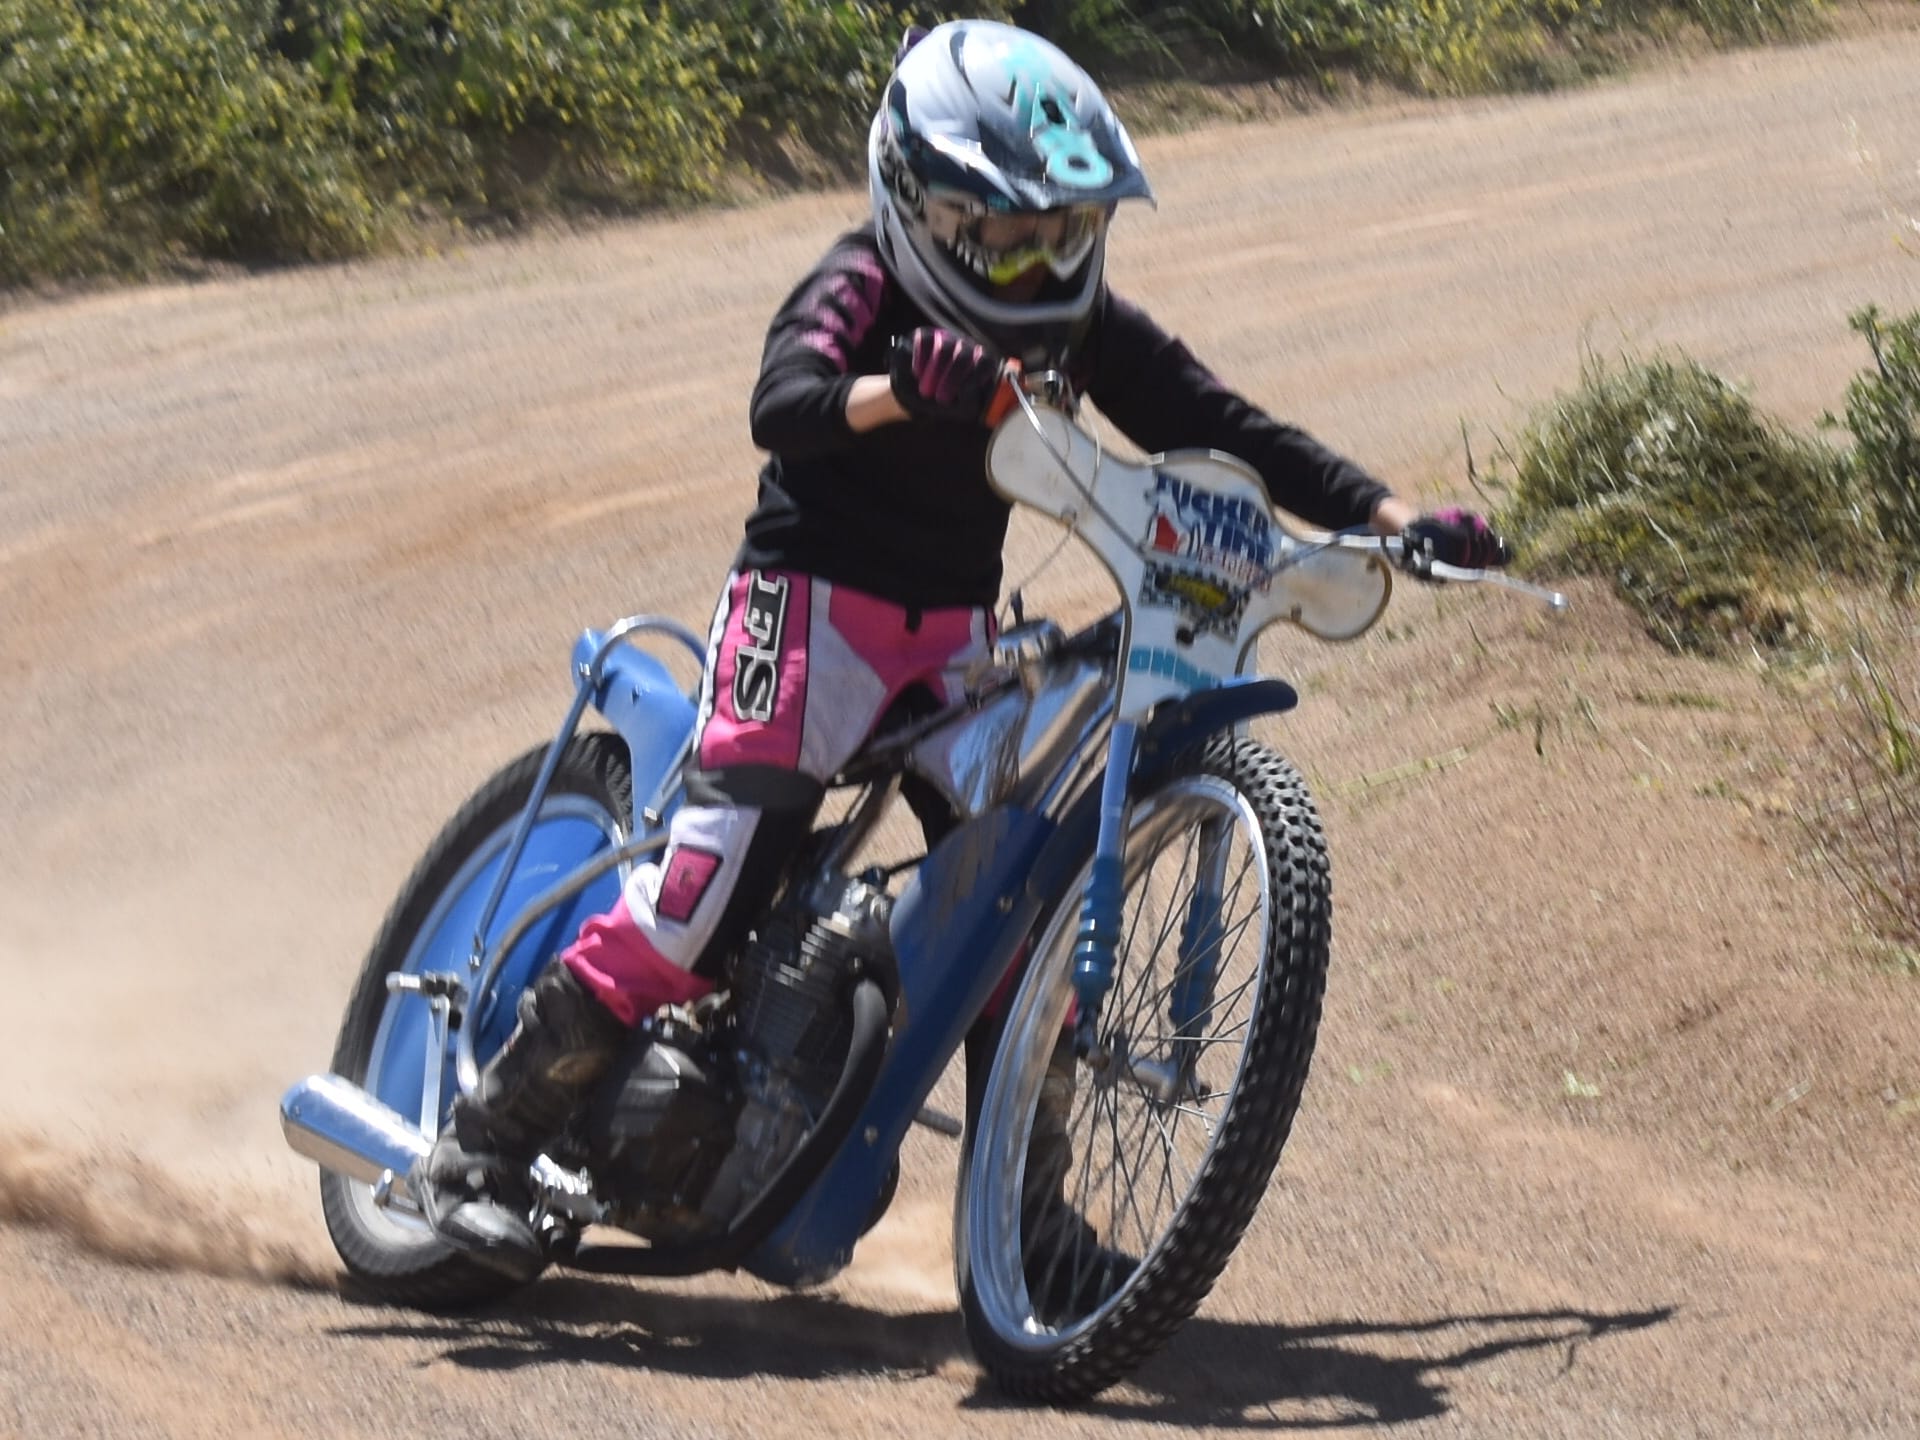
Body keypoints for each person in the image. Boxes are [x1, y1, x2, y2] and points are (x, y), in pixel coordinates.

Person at [414, 18, 1509, 1282]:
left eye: (1068, 234)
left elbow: (1216, 420)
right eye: (1005, 234)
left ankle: (1026, 1230)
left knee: (1012, 910)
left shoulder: (1073, 327)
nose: (1041, 265)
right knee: (701, 908)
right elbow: (783, 403)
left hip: (951, 645)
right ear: (918, 207)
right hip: (807, 612)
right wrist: (903, 388)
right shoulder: (863, 281)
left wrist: (1392, 519)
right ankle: (478, 1150)